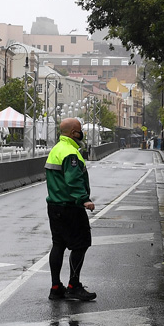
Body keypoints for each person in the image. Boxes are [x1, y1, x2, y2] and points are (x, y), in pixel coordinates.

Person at [45, 117, 97, 301]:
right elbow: (73, 179)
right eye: (80, 130)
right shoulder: (70, 153)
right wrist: (84, 200)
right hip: (70, 207)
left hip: (54, 206)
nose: (81, 132)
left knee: (58, 244)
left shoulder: (56, 149)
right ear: (73, 132)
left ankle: (55, 287)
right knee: (81, 244)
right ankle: (74, 286)